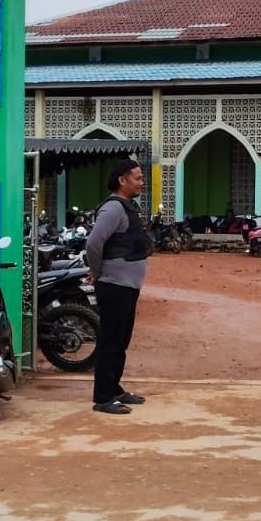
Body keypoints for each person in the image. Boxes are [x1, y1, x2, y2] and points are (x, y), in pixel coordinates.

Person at [86, 157, 153, 415]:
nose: (141, 182)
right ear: (122, 180)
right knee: (110, 341)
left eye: (141, 177)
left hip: (127, 285)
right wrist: (97, 272)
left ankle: (114, 388)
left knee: (121, 339)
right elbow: (93, 243)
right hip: (115, 285)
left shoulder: (127, 207)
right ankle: (103, 397)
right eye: (136, 178)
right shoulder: (113, 209)